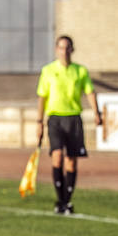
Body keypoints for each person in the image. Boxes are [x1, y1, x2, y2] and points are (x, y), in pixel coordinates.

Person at [35, 35, 102, 215]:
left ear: (72, 50)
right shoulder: (48, 71)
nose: (64, 51)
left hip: (73, 118)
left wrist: (97, 112)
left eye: (67, 48)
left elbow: (90, 92)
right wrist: (39, 121)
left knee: (71, 162)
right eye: (61, 47)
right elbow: (42, 97)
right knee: (57, 156)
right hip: (55, 118)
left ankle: (67, 201)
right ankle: (60, 200)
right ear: (56, 50)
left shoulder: (80, 71)